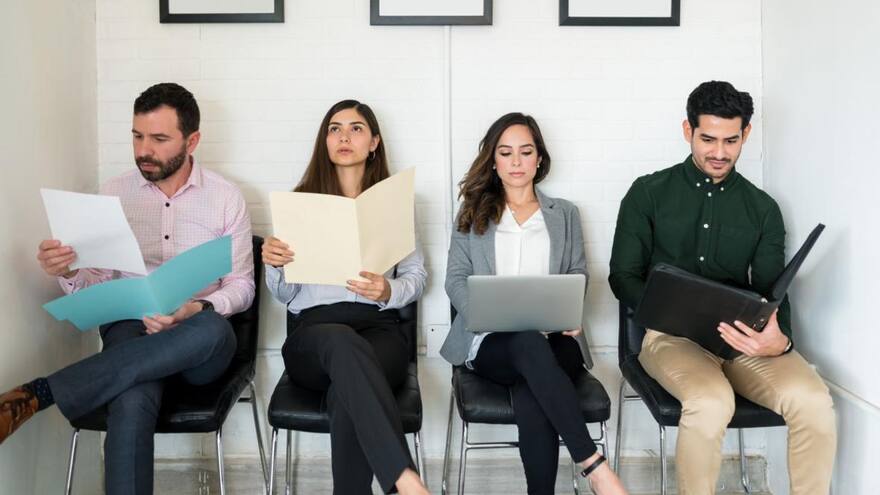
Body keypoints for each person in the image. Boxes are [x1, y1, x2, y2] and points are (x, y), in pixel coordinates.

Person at [0, 82, 255, 495]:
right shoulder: (114, 193)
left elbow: (242, 285)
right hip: (131, 327)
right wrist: (67, 270)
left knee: (213, 327)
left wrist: (195, 308)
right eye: (137, 136)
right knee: (132, 395)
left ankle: (41, 392)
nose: (143, 150)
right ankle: (42, 392)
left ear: (192, 141)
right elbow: (96, 282)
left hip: (198, 342)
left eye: (158, 138)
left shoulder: (226, 198)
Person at [609, 80, 836, 495]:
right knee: (711, 403)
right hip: (672, 338)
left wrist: (778, 341)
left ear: (745, 134)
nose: (719, 152)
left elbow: (772, 292)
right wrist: (668, 311)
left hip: (744, 342)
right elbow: (622, 276)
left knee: (814, 402)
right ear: (687, 131)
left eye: (731, 140)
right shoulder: (647, 193)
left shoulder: (763, 209)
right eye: (707, 138)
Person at [440, 112, 628, 495]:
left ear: (539, 158)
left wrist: (570, 309)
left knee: (534, 373)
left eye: (525, 152)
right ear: (493, 160)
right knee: (527, 346)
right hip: (491, 341)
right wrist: (481, 312)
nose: (516, 162)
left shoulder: (565, 214)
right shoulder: (471, 213)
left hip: (556, 338)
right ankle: (594, 466)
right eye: (506, 153)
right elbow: (454, 280)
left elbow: (577, 272)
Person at [262, 99, 430, 495]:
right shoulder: (300, 203)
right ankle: (403, 478)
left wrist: (388, 290)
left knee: (346, 391)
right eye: (335, 128)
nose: (344, 137)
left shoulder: (394, 205)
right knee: (339, 342)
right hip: (315, 335)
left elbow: (417, 276)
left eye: (356, 129)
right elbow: (286, 294)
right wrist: (273, 264)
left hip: (379, 331)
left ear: (373, 142)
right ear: (325, 141)